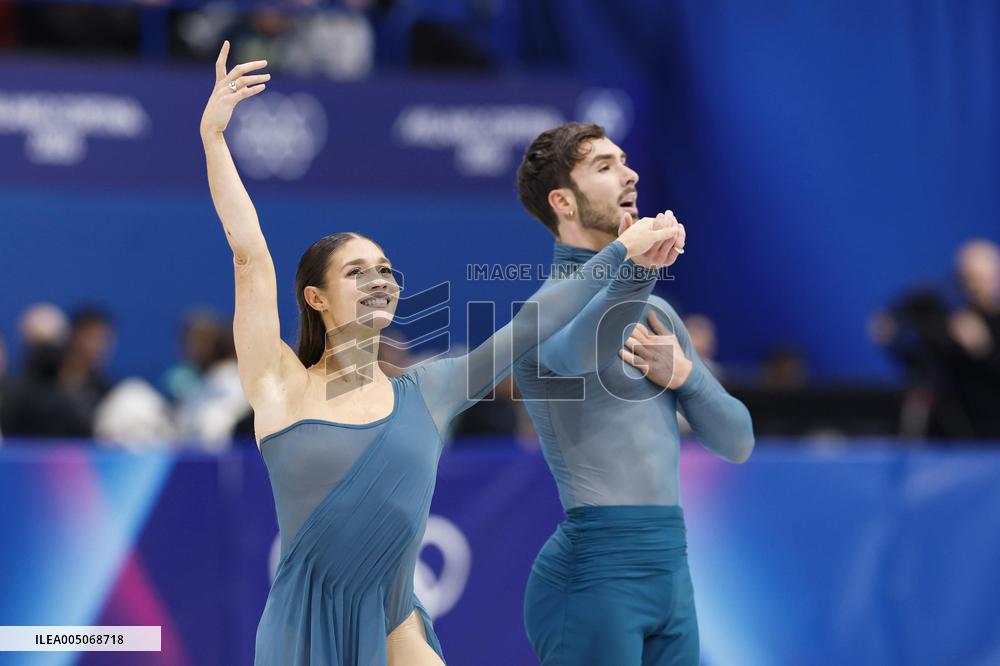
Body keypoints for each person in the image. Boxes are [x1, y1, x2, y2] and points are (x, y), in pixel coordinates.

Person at [199, 43, 680, 666]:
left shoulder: (430, 390)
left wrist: (620, 254)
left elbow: (530, 328)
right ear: (315, 297)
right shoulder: (279, 385)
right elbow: (250, 257)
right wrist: (214, 138)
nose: (377, 278)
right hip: (301, 632)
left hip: (397, 624)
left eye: (384, 269)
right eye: (355, 271)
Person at [513, 123, 755, 665]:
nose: (630, 173)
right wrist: (637, 269)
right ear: (563, 202)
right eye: (604, 166)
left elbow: (737, 440)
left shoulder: (657, 312)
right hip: (594, 578)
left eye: (624, 159)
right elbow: (579, 355)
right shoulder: (540, 312)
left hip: (672, 573)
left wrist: (688, 378)